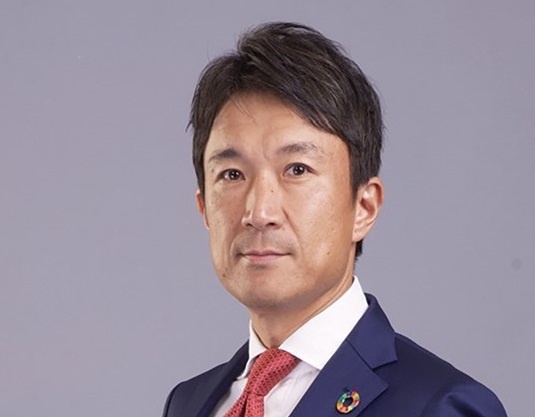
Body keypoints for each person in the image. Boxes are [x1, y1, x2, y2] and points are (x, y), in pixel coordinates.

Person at [163, 22, 507, 417]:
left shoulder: (439, 405)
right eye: (232, 175)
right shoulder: (189, 403)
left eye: (297, 170)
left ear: (364, 207)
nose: (259, 213)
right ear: (204, 208)